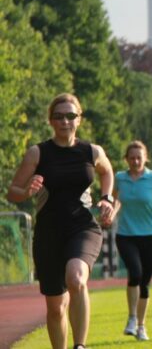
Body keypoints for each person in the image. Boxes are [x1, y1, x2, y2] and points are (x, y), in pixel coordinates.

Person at [6, 93, 115, 349]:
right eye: (59, 116)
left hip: (83, 226)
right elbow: (13, 192)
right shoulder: (37, 153)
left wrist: (107, 198)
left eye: (70, 116)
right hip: (48, 232)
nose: (65, 121)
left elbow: (107, 170)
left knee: (76, 278)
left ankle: (80, 345)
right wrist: (27, 192)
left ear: (79, 119)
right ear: (51, 121)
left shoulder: (92, 151)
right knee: (56, 309)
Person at [112, 140, 152, 341]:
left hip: (151, 236)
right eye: (132, 157)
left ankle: (142, 326)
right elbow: (116, 199)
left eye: (139, 157)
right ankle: (131, 318)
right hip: (126, 235)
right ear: (126, 159)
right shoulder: (119, 177)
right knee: (134, 274)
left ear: (145, 158)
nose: (135, 161)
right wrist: (112, 212)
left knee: (144, 282)